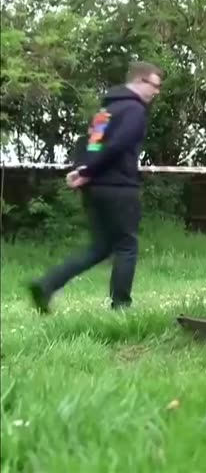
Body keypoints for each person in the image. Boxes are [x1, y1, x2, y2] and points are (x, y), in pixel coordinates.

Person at [28, 61, 164, 313]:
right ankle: (121, 307)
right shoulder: (133, 110)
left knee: (100, 248)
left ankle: (46, 285)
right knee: (126, 246)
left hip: (96, 188)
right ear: (140, 81)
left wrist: (83, 171)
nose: (156, 92)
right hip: (119, 187)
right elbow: (118, 146)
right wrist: (86, 171)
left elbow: (92, 144)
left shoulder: (106, 111)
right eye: (155, 85)